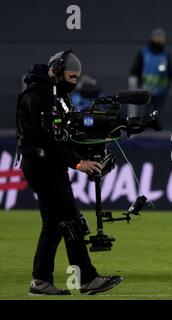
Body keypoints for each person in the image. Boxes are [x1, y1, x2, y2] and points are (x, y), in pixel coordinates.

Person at [16, 50, 123, 295]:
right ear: (57, 70)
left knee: (53, 224)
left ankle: (41, 281)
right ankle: (87, 278)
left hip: (47, 166)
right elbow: (48, 141)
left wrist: (89, 152)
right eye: (71, 76)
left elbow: (65, 136)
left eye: (76, 78)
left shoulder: (53, 95)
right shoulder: (39, 96)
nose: (73, 83)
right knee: (72, 221)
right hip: (42, 167)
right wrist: (78, 163)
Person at [129, 28, 172, 116]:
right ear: (153, 38)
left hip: (161, 92)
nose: (161, 39)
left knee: (158, 117)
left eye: (163, 37)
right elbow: (135, 70)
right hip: (145, 92)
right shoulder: (144, 53)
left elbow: (170, 73)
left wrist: (167, 87)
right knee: (145, 116)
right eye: (159, 37)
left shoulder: (166, 55)